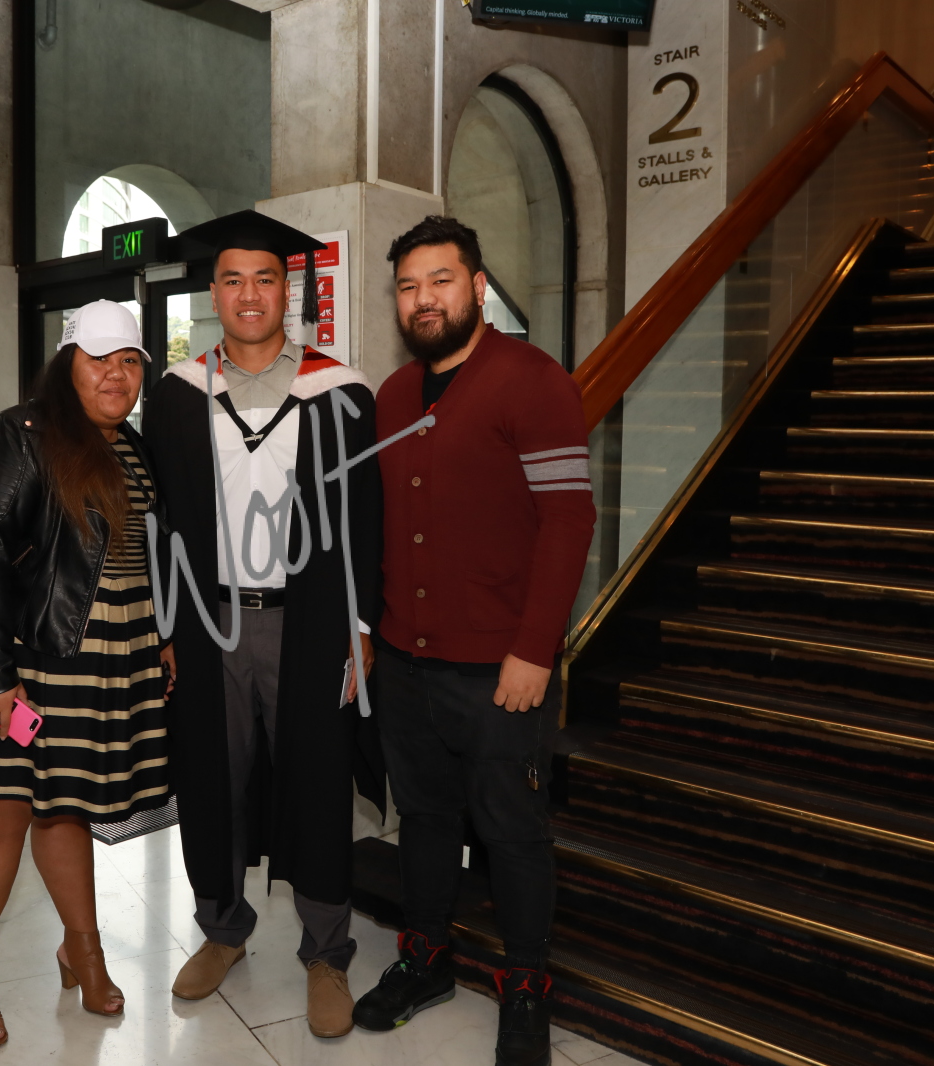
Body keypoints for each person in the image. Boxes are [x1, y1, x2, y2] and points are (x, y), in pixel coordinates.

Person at [353, 216, 595, 1066]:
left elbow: (568, 520)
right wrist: (368, 630)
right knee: (422, 818)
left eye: (441, 281)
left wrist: (535, 649)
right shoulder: (391, 396)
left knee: (512, 829)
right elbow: (381, 526)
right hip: (407, 661)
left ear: (478, 286)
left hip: (500, 667)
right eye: (408, 286)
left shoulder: (533, 380)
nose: (424, 299)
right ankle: (425, 958)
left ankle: (526, 985)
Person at [143, 210, 383, 1039]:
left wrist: (360, 625)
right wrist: (165, 625)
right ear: (213, 294)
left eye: (266, 279)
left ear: (291, 290)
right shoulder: (175, 397)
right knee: (210, 776)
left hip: (307, 623)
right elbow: (161, 521)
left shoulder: (341, 391)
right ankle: (222, 929)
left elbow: (363, 518)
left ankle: (327, 951)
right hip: (206, 621)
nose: (250, 295)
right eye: (233, 280)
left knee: (318, 777)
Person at [0, 300, 175, 1048]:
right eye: (99, 359)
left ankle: (82, 950)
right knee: (2, 811)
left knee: (67, 808)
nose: (116, 374)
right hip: (24, 654)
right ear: (68, 362)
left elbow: (142, 553)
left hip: (108, 654)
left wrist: (163, 636)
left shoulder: (132, 446)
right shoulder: (20, 433)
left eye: (130, 361)